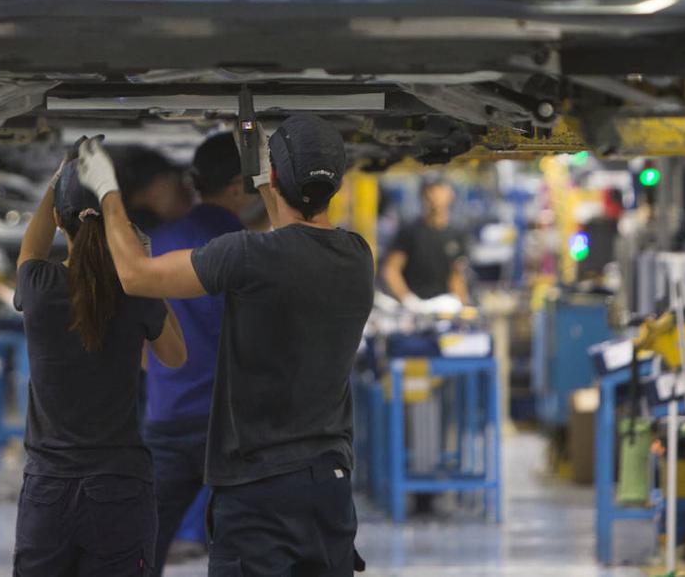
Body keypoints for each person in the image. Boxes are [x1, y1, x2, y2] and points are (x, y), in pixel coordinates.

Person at [75, 115, 374, 575]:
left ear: (270, 179)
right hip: (327, 486)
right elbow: (293, 228)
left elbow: (135, 275)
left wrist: (108, 190)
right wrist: (264, 171)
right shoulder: (357, 256)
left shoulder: (247, 256)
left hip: (258, 489)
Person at [13, 154, 187, 575]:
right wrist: (144, 273)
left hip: (48, 490)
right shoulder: (133, 292)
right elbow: (175, 356)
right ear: (117, 224)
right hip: (120, 488)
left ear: (59, 218)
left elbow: (31, 247)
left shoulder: (38, 286)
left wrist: (58, 179)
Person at [144, 133, 250, 574]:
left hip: (166, 416)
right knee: (237, 543)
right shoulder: (246, 247)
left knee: (144, 543)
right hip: (225, 426)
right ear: (237, 186)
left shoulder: (158, 241)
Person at [381, 177, 470, 307]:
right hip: (415, 304)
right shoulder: (410, 230)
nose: (432, 195)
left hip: (444, 306)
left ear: (450, 194)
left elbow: (456, 275)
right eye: (428, 190)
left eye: (438, 190)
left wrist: (461, 304)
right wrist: (408, 299)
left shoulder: (457, 234)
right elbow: (391, 269)